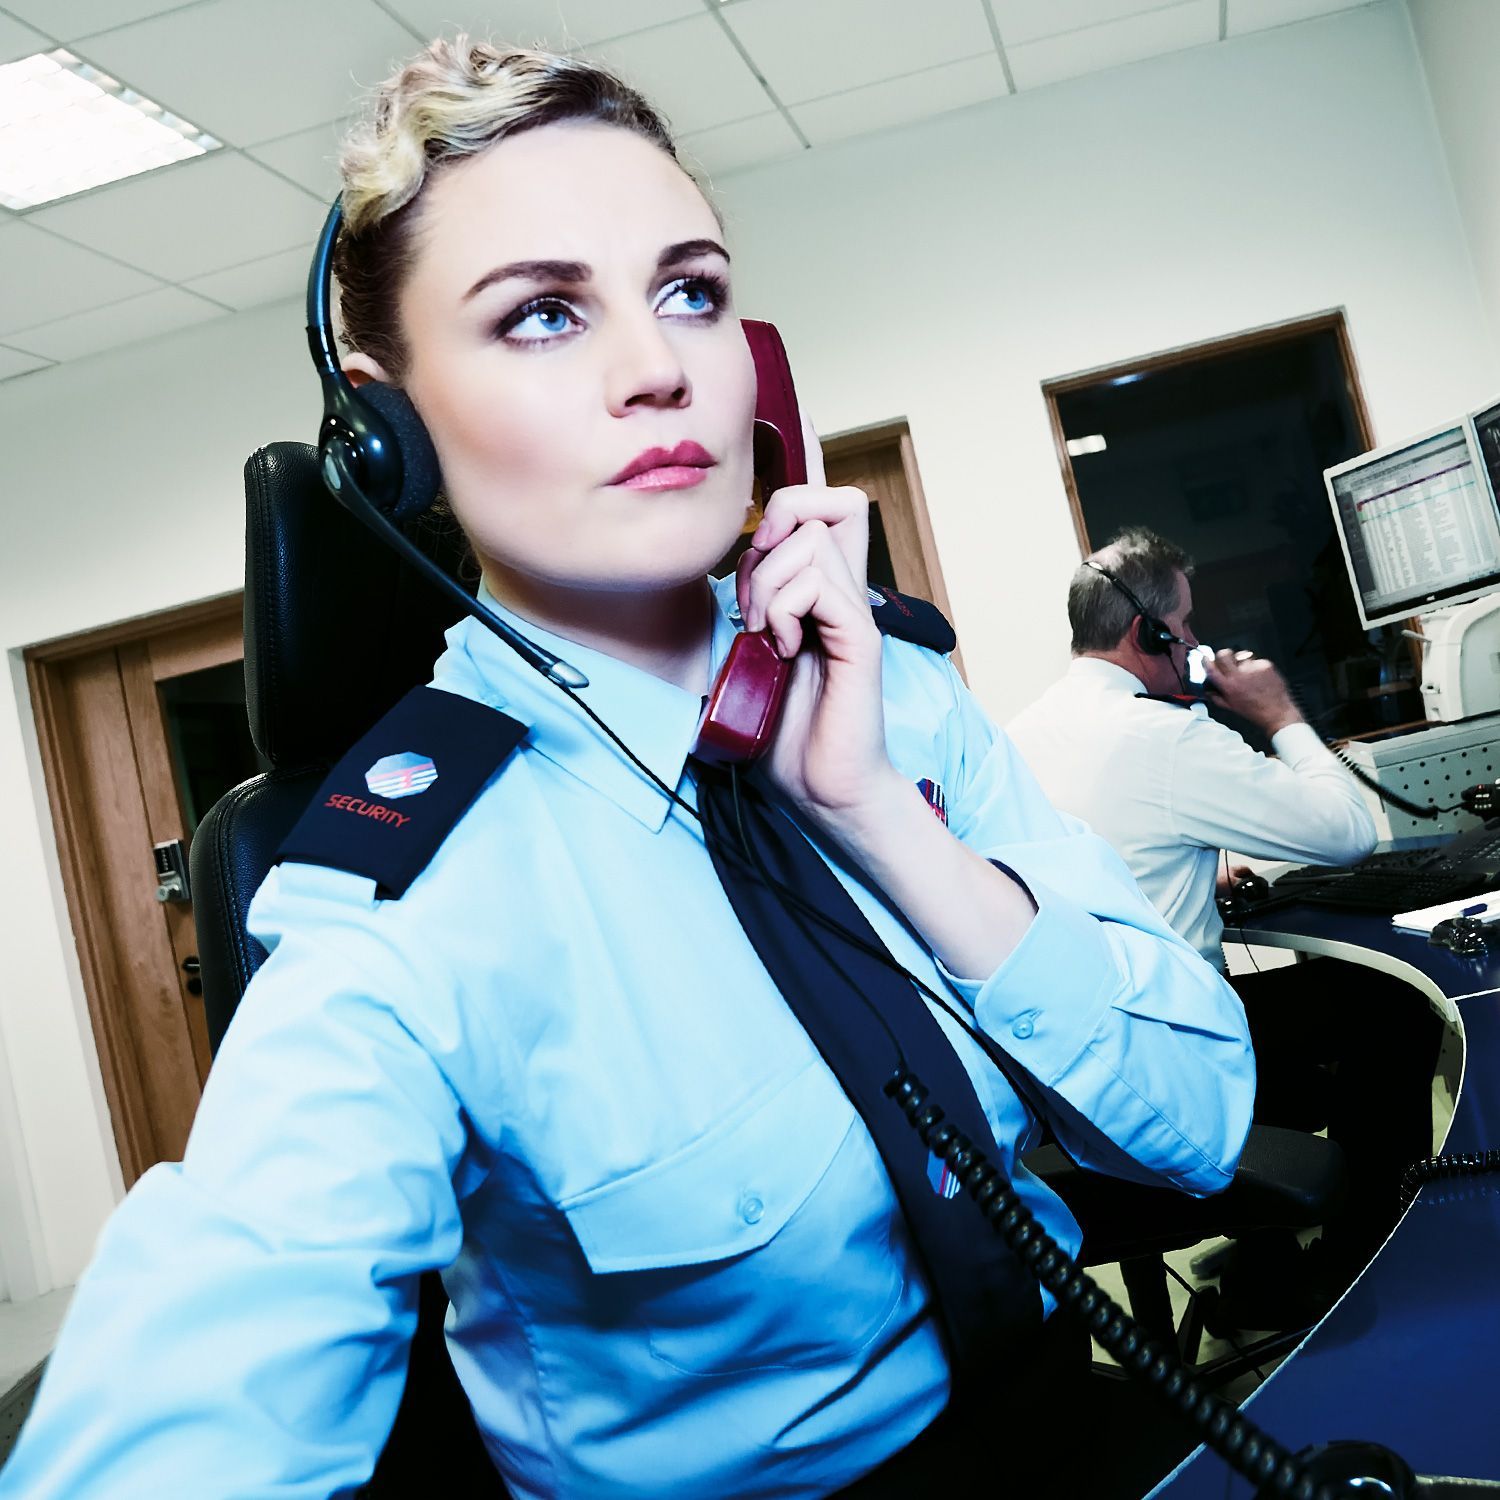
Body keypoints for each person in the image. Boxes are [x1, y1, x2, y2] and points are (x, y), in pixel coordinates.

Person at [0, 46, 1255, 1500]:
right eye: (541, 313)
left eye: (692, 291)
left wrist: (877, 822)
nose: (659, 366)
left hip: (1076, 1425)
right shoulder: (399, 893)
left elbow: (1204, 1127)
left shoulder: (893, 691)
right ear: (386, 427)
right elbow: (224, 1335)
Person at [1006, 527, 1444, 1312]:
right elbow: (1347, 833)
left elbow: (1103, 857)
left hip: (1066, 1073)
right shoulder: (1162, 734)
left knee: (1316, 1007)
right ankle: (1362, 1267)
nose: (1196, 640)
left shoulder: (1018, 735)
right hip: (1172, 1067)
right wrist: (1277, 713)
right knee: (1391, 1008)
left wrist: (1199, 866)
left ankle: (1267, 1253)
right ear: (1152, 633)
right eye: (1189, 623)